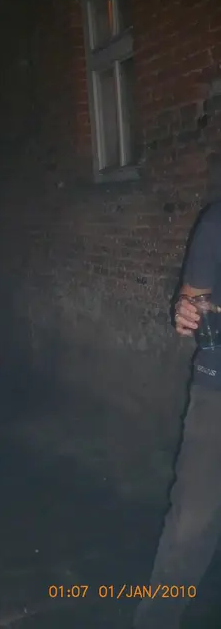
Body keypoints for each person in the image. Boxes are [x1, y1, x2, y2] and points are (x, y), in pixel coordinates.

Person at [133, 201, 221, 628]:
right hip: (216, 393)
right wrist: (184, 308)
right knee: (190, 525)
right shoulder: (217, 221)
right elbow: (192, 297)